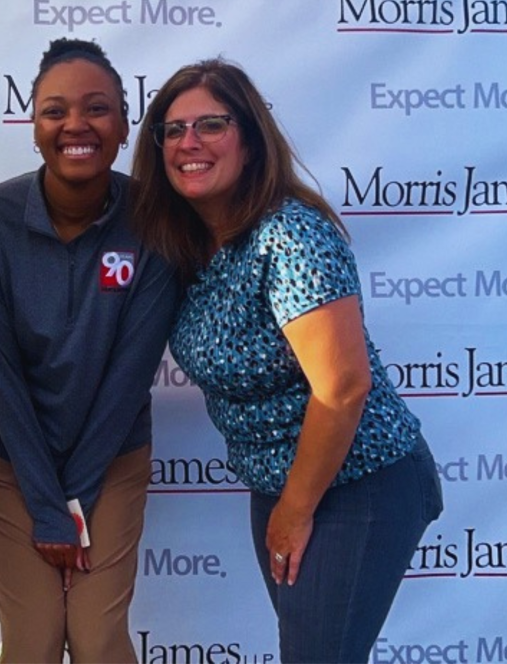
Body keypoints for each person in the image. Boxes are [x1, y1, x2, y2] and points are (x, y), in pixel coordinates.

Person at [131, 58, 443, 664]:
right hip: (280, 487)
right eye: (172, 130)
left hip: (360, 484)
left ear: (249, 140)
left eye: (210, 125)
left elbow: (344, 386)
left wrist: (296, 511)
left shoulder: (289, 234)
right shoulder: (191, 246)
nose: (188, 143)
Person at [0, 38, 179, 664]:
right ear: (33, 126)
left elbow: (129, 378)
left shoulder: (156, 219)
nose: (75, 125)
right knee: (32, 644)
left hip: (111, 460)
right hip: (8, 460)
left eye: (97, 108)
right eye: (55, 110)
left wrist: (72, 501)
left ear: (124, 123)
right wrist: (48, 506)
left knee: (99, 640)